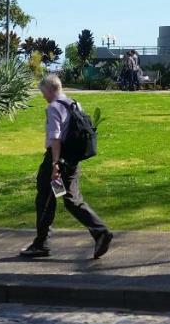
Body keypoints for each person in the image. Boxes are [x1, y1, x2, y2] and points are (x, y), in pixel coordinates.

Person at [21, 74, 113, 260]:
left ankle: (41, 243)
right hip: (71, 161)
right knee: (70, 198)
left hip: (56, 162)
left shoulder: (53, 107)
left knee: (46, 200)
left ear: (48, 89)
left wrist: (54, 165)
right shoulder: (74, 104)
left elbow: (55, 138)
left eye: (43, 92)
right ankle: (100, 231)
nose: (43, 96)